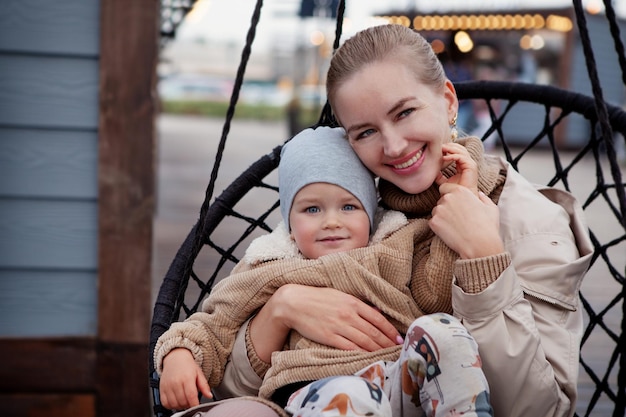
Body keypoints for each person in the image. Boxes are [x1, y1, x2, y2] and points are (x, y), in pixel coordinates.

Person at [217, 24, 593, 417]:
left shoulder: (530, 223)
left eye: (406, 112)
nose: (393, 146)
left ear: (448, 101)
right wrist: (282, 309)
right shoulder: (348, 210)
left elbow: (540, 411)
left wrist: (484, 260)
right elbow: (222, 388)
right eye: (366, 132)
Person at [155, 125, 493, 416]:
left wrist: (459, 200)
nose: (331, 221)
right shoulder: (270, 265)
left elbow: (436, 294)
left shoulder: (394, 246)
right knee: (352, 396)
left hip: (396, 381)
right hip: (313, 390)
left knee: (443, 330)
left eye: (349, 206)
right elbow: (215, 324)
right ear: (289, 225)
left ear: (371, 216)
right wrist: (181, 353)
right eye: (312, 208)